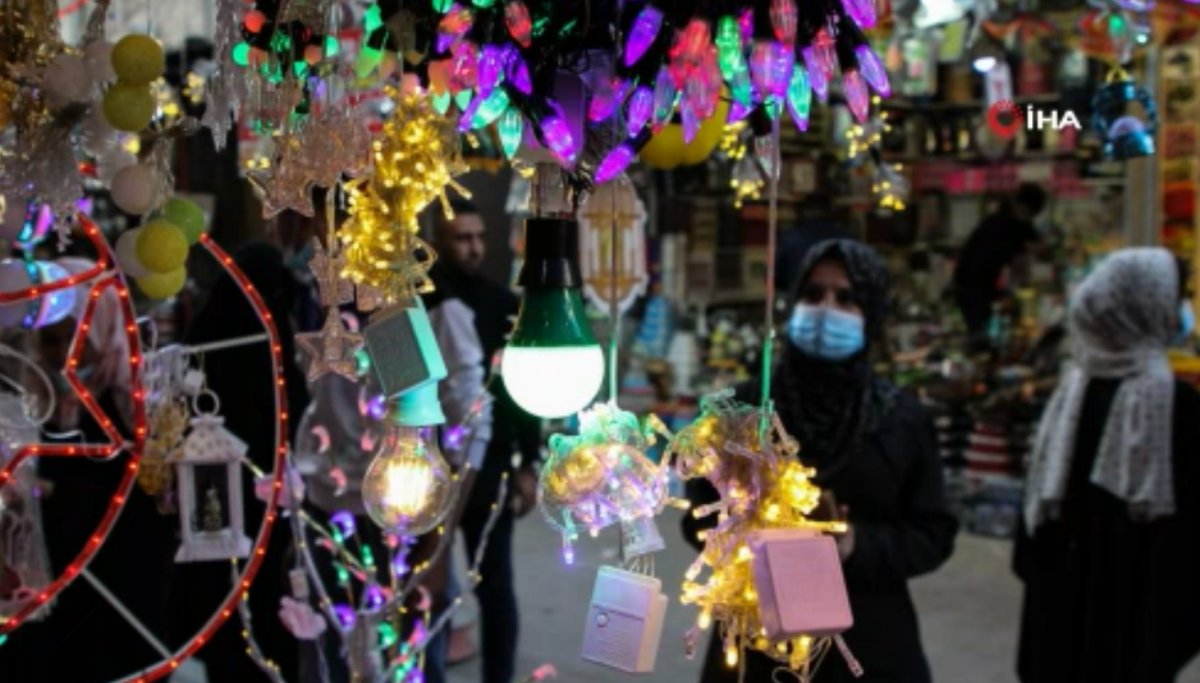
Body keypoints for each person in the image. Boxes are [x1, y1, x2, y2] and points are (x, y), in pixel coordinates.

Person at [684, 239, 957, 683]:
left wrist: (856, 545)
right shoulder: (744, 409)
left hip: (868, 643)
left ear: (872, 314)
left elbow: (934, 533)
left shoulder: (901, 419)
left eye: (846, 298)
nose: (826, 308)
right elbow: (695, 516)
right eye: (813, 294)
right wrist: (742, 530)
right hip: (757, 645)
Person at [1015, 247, 1200, 682]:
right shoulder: (1180, 409)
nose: (1184, 309)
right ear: (1146, 308)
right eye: (1179, 296)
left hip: (1056, 631)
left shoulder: (1068, 397)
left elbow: (1030, 532)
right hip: (1134, 628)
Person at [0, 270, 175, 682]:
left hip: (121, 589)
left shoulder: (130, 408)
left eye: (77, 341)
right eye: (52, 341)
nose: (64, 354)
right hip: (58, 594)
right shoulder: (32, 404)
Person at [171, 243, 310, 682]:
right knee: (270, 615)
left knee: (230, 613)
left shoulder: (208, 330)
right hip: (270, 502)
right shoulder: (274, 344)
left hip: (215, 501)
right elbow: (298, 412)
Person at [426, 200, 542, 683]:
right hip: (426, 465)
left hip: (488, 463)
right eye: (460, 238)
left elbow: (519, 392)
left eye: (478, 237)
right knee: (426, 583)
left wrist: (526, 463)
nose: (472, 248)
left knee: (495, 585)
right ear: (438, 242)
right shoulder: (425, 304)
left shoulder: (500, 304)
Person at [954, 183, 1049, 340]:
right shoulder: (998, 223)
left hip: (986, 284)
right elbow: (1024, 246)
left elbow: (1034, 243)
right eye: (1026, 212)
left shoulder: (1017, 221)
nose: (1027, 217)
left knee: (993, 325)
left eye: (1031, 215)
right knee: (980, 330)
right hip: (972, 285)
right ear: (1018, 205)